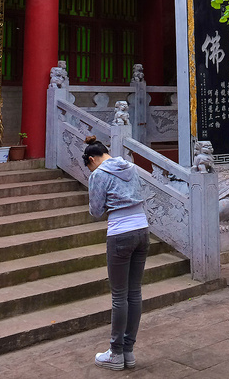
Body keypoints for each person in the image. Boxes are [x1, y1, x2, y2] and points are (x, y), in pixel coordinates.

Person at [83, 135, 149, 371]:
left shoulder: (98, 174)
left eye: (89, 165)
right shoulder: (131, 167)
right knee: (135, 293)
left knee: (119, 296)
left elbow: (96, 210)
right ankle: (128, 352)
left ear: (92, 159)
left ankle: (115, 353)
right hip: (142, 228)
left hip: (120, 233)